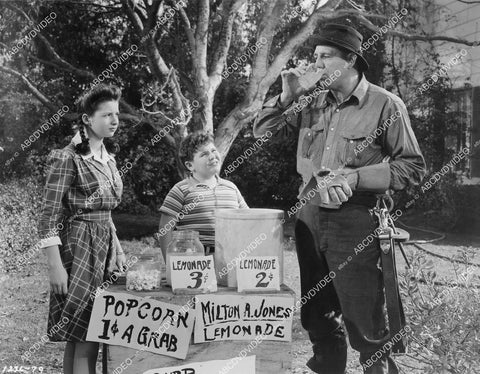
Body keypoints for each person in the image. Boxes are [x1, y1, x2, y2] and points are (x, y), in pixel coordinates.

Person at [253, 24, 426, 374]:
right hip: (310, 219)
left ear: (349, 60)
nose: (314, 65)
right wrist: (286, 96)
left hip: (356, 221)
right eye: (314, 57)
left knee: (364, 319)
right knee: (317, 314)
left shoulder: (385, 104)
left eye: (324, 57)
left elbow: (413, 167)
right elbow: (262, 133)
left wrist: (357, 177)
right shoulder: (309, 101)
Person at [38, 84, 125, 374]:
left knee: (87, 335)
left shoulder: (108, 159)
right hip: (78, 246)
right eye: (106, 115)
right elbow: (48, 214)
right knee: (85, 333)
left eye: (116, 114)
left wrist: (119, 249)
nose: (114, 120)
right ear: (87, 119)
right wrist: (54, 266)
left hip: (104, 247)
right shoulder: (68, 157)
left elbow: (106, 211)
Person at [158, 131, 248, 258]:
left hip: (230, 258)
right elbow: (165, 229)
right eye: (204, 154)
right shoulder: (181, 190)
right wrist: (169, 263)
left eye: (213, 150)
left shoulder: (231, 188)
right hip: (193, 259)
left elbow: (248, 220)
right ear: (190, 165)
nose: (212, 156)